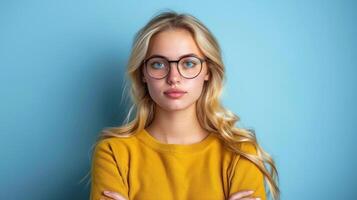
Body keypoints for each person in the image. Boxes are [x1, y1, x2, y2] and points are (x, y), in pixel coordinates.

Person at [89, 10, 279, 200]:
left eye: (188, 63)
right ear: (143, 74)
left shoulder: (241, 153)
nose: (174, 78)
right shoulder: (113, 152)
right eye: (158, 64)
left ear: (208, 72)